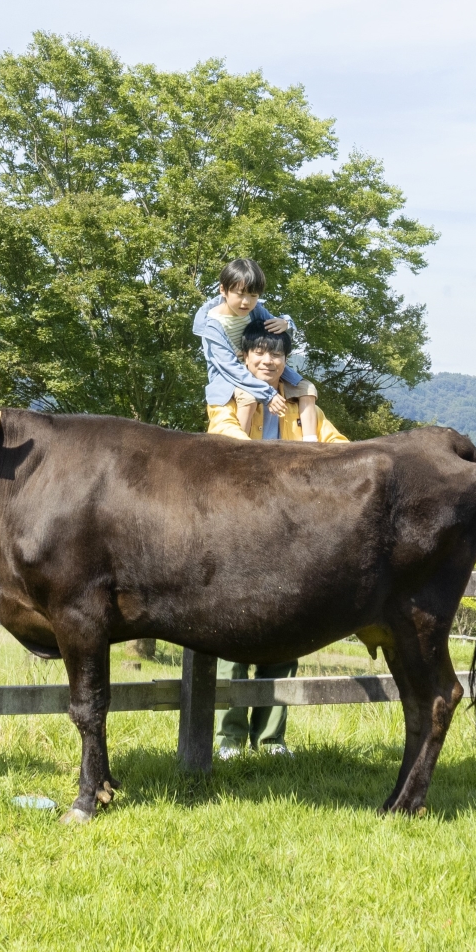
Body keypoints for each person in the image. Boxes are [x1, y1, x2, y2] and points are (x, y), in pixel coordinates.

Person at [208, 319, 327, 758]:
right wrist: (247, 407)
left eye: (276, 354)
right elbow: (227, 451)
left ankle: (272, 737)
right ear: (243, 358)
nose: (267, 360)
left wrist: (309, 409)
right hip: (235, 537)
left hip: (289, 538)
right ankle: (229, 736)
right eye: (258, 352)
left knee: (285, 635)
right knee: (231, 634)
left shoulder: (300, 405)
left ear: (286, 361)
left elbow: (335, 449)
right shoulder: (223, 401)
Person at [194, 258, 315, 438]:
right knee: (248, 399)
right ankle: (241, 451)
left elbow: (276, 327)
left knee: (307, 389)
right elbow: (229, 368)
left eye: (253, 295)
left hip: (256, 364)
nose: (246, 302)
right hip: (229, 376)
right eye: (240, 294)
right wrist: (268, 394)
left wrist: (286, 322)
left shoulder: (256, 310)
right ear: (223, 290)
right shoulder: (211, 326)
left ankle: (311, 444)